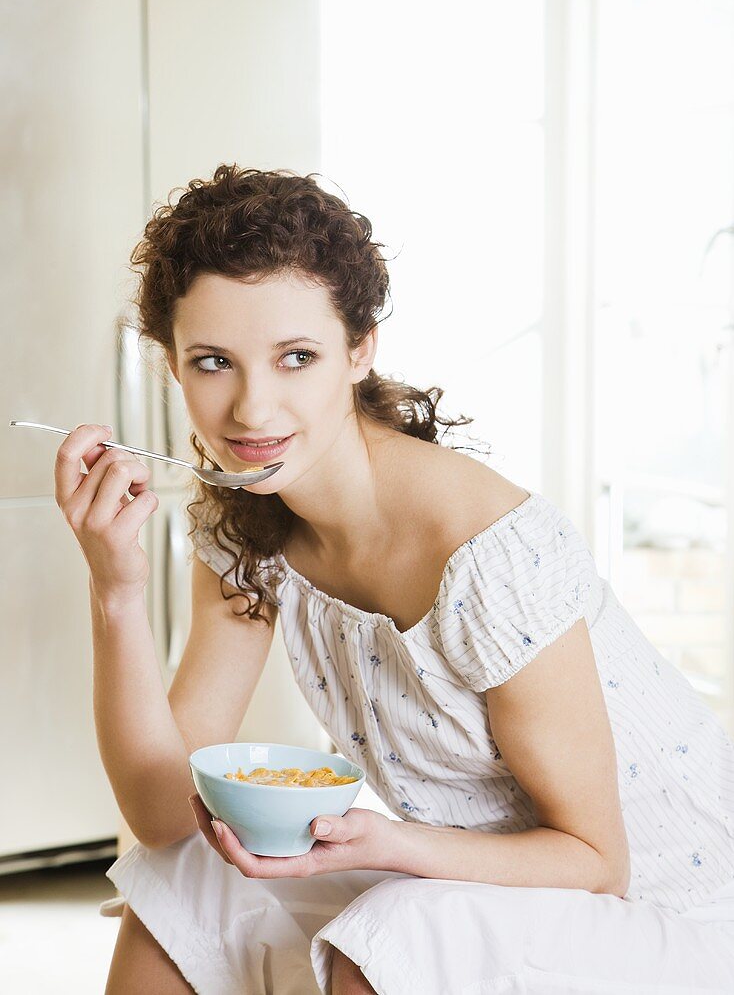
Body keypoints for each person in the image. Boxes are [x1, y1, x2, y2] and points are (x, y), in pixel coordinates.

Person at [54, 165, 734, 995]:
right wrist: (114, 590)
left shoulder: (488, 552)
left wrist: (384, 842)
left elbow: (597, 861)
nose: (253, 410)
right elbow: (163, 815)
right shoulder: (247, 533)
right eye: (214, 363)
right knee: (183, 883)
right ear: (173, 366)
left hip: (678, 913)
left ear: (360, 349)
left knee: (402, 931)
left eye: (296, 357)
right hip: (493, 885)